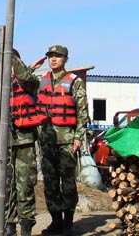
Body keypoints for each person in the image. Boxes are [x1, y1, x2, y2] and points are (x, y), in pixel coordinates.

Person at [0, 49, 46, 236]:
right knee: (6, 185)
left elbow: (28, 78)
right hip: (4, 141)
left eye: (12, 63)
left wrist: (17, 67)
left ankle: (26, 225)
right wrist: (6, 80)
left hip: (25, 139)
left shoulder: (30, 82)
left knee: (25, 184)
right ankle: (9, 224)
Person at [32, 45, 89, 236]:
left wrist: (78, 137)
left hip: (67, 140)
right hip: (47, 140)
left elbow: (83, 112)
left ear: (66, 59)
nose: (53, 59)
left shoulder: (75, 82)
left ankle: (69, 222)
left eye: (57, 56)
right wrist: (32, 67)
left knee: (68, 182)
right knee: (50, 183)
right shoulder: (42, 80)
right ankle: (55, 221)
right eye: (50, 56)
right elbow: (22, 80)